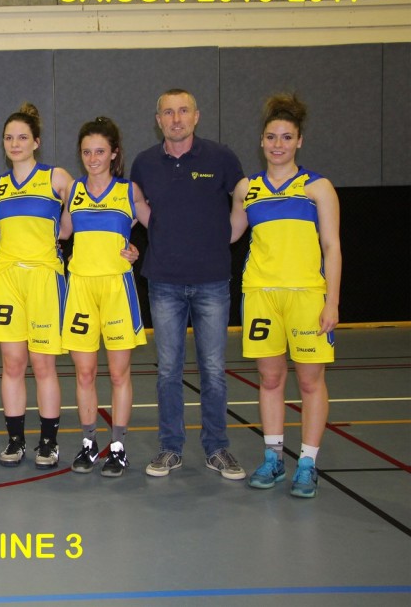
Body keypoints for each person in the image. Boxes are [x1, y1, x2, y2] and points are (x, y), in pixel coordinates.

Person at [130, 89, 246, 480]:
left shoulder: (221, 157)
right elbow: (134, 204)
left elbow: (244, 199)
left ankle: (217, 448)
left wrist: (226, 236)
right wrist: (155, 231)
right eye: (168, 112)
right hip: (164, 282)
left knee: (213, 370)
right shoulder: (144, 163)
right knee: (168, 371)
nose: (176, 119)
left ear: (196, 116)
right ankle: (170, 448)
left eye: (183, 111)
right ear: (158, 120)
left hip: (212, 281)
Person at [230, 93, 341, 498]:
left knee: (310, 381)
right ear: (261, 141)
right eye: (271, 137)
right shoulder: (248, 188)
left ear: (299, 141)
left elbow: (332, 247)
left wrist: (332, 301)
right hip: (261, 295)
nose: (278, 144)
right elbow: (228, 234)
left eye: (286, 137)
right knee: (270, 378)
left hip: (306, 296)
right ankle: (273, 457)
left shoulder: (317, 188)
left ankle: (307, 463)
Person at [62, 117, 150, 477]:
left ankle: (117, 447)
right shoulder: (73, 191)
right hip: (81, 288)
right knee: (84, 373)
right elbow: (60, 231)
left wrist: (138, 249)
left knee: (117, 373)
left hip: (117, 288)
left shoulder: (129, 191)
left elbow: (160, 228)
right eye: (87, 152)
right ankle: (88, 443)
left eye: (100, 151)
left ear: (114, 153)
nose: (93, 158)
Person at [0, 104, 72, 469]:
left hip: (44, 278)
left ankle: (48, 442)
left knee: (43, 365)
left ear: (36, 142)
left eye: (23, 137)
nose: (15, 143)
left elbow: (83, 209)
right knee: (12, 363)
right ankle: (15, 440)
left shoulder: (56, 178)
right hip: (8, 278)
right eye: (9, 137)